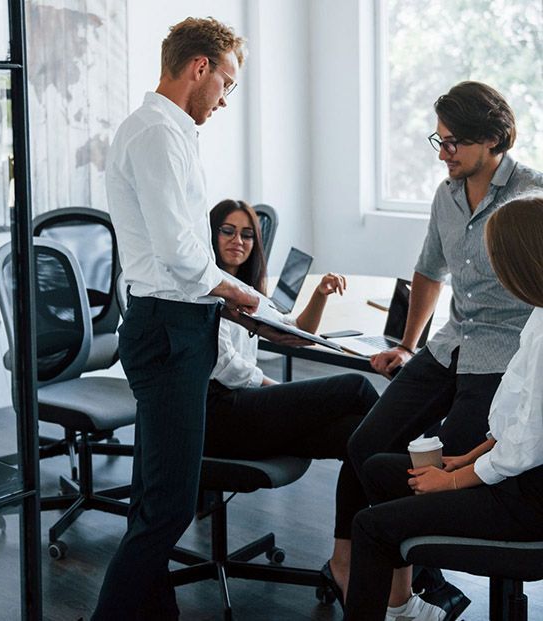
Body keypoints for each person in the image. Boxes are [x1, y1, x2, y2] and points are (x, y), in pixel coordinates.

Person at [347, 81, 543, 615]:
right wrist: (408, 346)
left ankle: (419, 557)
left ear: (492, 139)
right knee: (368, 446)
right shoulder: (446, 194)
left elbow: (518, 442)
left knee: (448, 465)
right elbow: (428, 271)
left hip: (508, 356)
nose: (444, 154)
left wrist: (459, 470)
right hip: (451, 342)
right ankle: (415, 581)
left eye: (454, 142)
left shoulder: (532, 195)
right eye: (437, 141)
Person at [92, 18, 260, 621]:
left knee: (152, 501)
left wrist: (230, 294)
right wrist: (242, 293)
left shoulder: (172, 131)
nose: (224, 98)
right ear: (199, 67)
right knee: (168, 509)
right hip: (168, 328)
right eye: (226, 82)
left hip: (175, 323)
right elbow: (179, 250)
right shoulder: (157, 134)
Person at [204, 199, 380, 611]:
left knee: (359, 436)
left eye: (247, 234)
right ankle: (417, 481)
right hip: (219, 417)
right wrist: (277, 392)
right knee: (355, 387)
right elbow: (226, 369)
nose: (238, 241)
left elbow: (294, 332)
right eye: (228, 231)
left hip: (245, 409)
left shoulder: (246, 291)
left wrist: (318, 295)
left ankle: (343, 561)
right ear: (210, 234)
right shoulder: (205, 286)